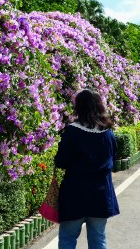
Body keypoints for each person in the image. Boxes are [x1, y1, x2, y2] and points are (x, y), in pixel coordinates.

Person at [54, 89, 120, 249]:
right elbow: (114, 159)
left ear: (79, 107)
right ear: (99, 106)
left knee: (67, 238)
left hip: (74, 194)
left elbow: (61, 161)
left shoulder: (72, 131)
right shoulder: (108, 133)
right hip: (101, 194)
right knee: (98, 240)